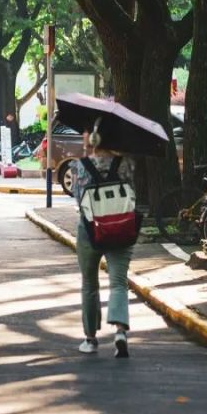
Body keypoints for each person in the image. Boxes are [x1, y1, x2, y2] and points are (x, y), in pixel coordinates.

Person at [69, 128, 136, 358]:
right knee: (118, 282)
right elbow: (132, 193)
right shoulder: (126, 163)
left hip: (90, 230)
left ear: (92, 138)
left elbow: (78, 198)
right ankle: (120, 331)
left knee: (89, 283)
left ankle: (90, 339)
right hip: (121, 229)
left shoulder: (79, 166)